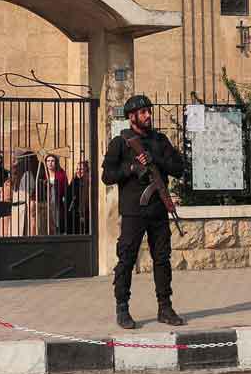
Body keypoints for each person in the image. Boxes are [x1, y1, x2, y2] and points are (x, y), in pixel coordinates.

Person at [102, 94, 187, 329]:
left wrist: (156, 159)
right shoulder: (120, 143)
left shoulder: (160, 141)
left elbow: (179, 168)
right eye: (143, 112)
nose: (148, 115)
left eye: (149, 111)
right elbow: (107, 176)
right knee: (126, 259)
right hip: (133, 212)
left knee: (162, 259)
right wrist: (131, 168)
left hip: (158, 210)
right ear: (131, 117)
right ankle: (122, 308)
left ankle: (165, 307)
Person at [64, 157, 92, 235]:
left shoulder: (87, 182)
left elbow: (85, 199)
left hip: (82, 215)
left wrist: (82, 213)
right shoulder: (74, 181)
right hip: (72, 214)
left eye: (81, 169)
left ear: (86, 170)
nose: (78, 171)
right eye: (77, 169)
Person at [42, 153, 69, 233]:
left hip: (57, 203)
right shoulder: (42, 174)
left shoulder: (61, 174)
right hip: (45, 203)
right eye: (48, 161)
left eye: (52, 161)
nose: (50, 163)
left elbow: (65, 188)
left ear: (56, 162)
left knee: (57, 222)